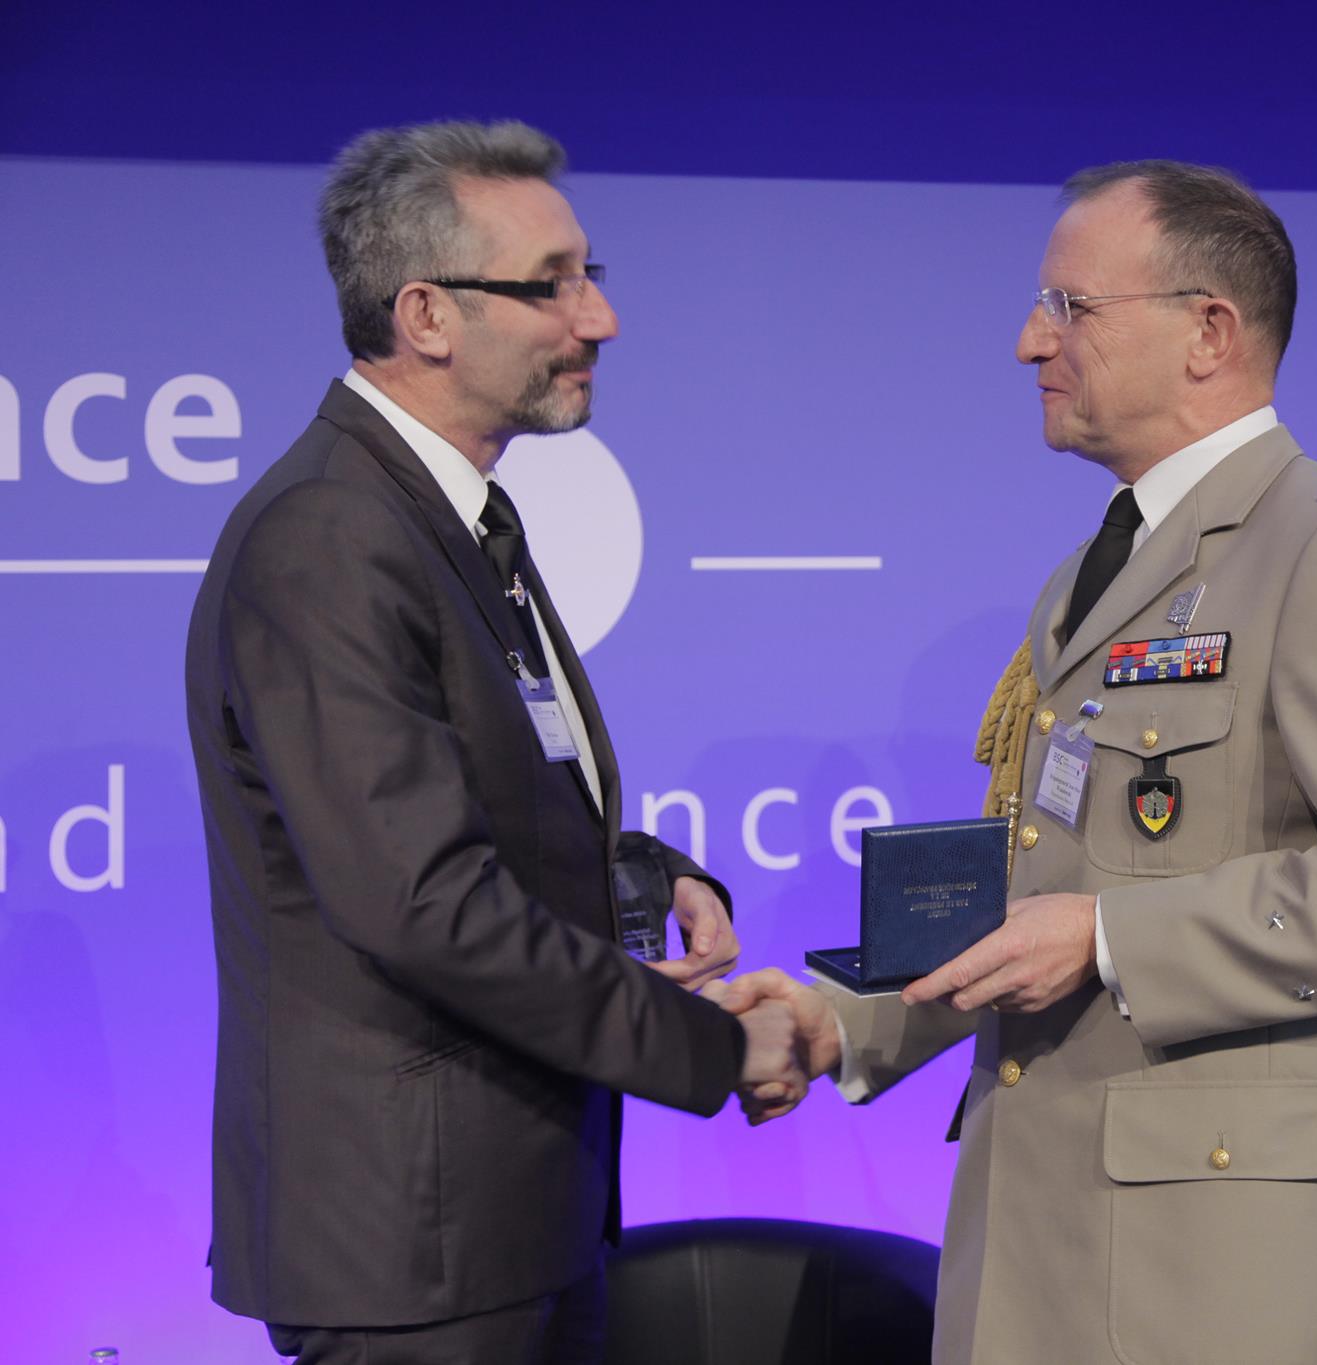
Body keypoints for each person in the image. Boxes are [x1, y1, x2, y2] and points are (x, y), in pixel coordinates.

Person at [714, 160, 1317, 1364]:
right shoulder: (1103, 564)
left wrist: (1108, 938)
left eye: (1069, 307)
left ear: (1209, 333)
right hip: (1037, 1231)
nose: (1031, 341)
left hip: (1215, 1271)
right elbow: (1046, 887)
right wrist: (848, 1022)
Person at [184, 120, 800, 1364]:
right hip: (415, 1249)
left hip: (505, 1224)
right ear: (425, 315)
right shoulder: (328, 537)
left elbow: (465, 795)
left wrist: (638, 873)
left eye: (593, 275)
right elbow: (422, 899)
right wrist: (714, 1044)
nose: (597, 319)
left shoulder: (442, 516)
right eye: (551, 284)